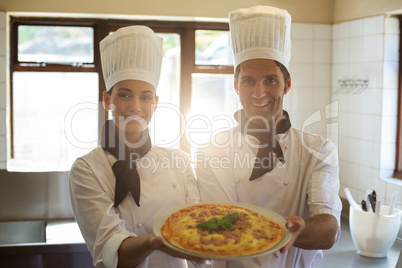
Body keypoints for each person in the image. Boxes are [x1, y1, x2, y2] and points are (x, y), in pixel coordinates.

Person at [195, 6, 342, 268]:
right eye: (249, 81)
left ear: (287, 84)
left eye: (271, 80)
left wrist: (298, 230)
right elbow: (217, 223)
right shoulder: (210, 151)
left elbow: (329, 230)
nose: (259, 92)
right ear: (236, 85)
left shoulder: (318, 150)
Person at [69, 25, 202, 268]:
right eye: (125, 95)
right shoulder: (87, 169)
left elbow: (197, 233)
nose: (136, 107)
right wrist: (157, 243)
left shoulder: (179, 161)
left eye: (146, 96)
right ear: (107, 100)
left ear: (156, 102)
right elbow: (111, 250)